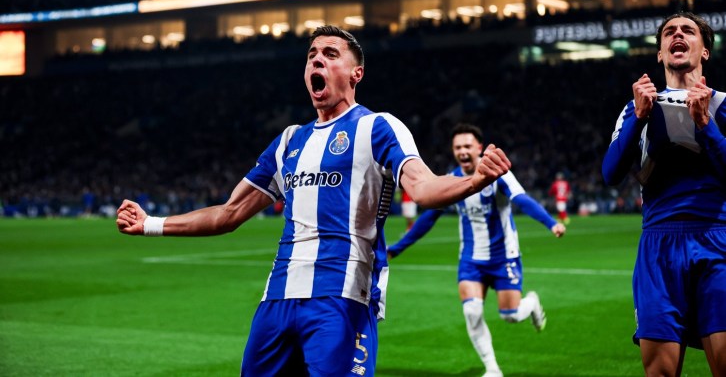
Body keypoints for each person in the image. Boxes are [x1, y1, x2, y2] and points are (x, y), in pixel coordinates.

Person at [116, 26, 512, 376]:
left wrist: (475, 180)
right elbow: (229, 213)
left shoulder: (377, 127)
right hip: (276, 299)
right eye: (311, 55)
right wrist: (150, 224)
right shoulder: (289, 140)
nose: (316, 60)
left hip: (340, 297)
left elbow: (424, 188)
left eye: (330, 54)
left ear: (356, 73)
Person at [602, 12, 726, 376]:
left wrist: (705, 125)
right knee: (659, 372)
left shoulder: (722, 105)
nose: (678, 34)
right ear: (660, 53)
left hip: (717, 240)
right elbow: (610, 173)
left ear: (705, 51)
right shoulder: (637, 106)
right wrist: (639, 118)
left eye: (688, 30)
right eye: (669, 31)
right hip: (658, 246)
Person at [388, 123, 566, 377]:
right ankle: (492, 369)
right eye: (457, 147)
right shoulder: (452, 180)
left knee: (511, 315)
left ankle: (532, 303)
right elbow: (428, 218)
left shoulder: (498, 174)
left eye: (467, 146)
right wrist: (398, 248)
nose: (462, 151)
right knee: (472, 311)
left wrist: (551, 223)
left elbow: (522, 201)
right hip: (471, 259)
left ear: (479, 147)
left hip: (504, 257)